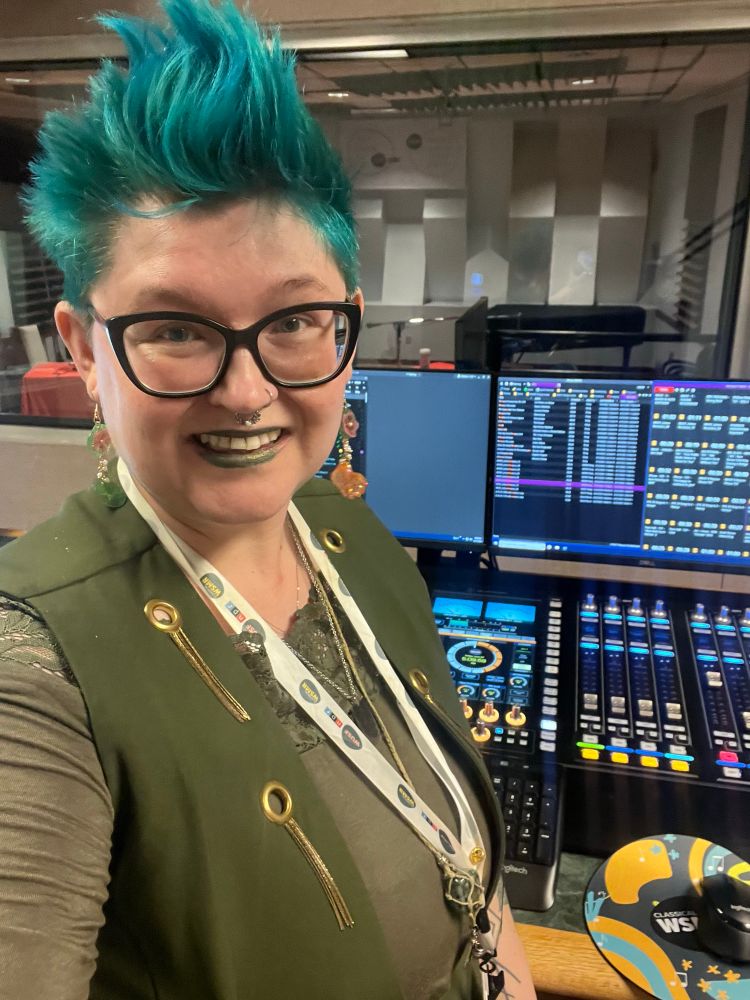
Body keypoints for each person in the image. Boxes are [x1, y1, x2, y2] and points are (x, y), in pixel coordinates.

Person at [0, 2, 536, 998]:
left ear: (350, 324)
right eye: (174, 329)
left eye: (292, 319)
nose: (246, 390)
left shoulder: (350, 533)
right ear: (81, 348)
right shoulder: (32, 672)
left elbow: (474, 879)